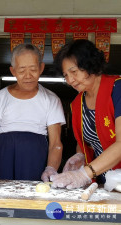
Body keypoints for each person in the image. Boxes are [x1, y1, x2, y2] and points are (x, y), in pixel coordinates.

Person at [0, 44, 66, 181]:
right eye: (21, 71)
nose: (28, 76)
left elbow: (55, 142)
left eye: (33, 69)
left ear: (41, 68)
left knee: (32, 199)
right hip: (3, 156)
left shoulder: (51, 99)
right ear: (13, 71)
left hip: (35, 158)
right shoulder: (1, 97)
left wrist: (51, 169)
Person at [51, 39, 121, 189]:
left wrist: (83, 174)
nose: (70, 80)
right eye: (66, 76)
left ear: (90, 65)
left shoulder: (117, 89)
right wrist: (80, 156)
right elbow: (84, 141)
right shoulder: (78, 103)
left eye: (74, 72)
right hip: (105, 182)